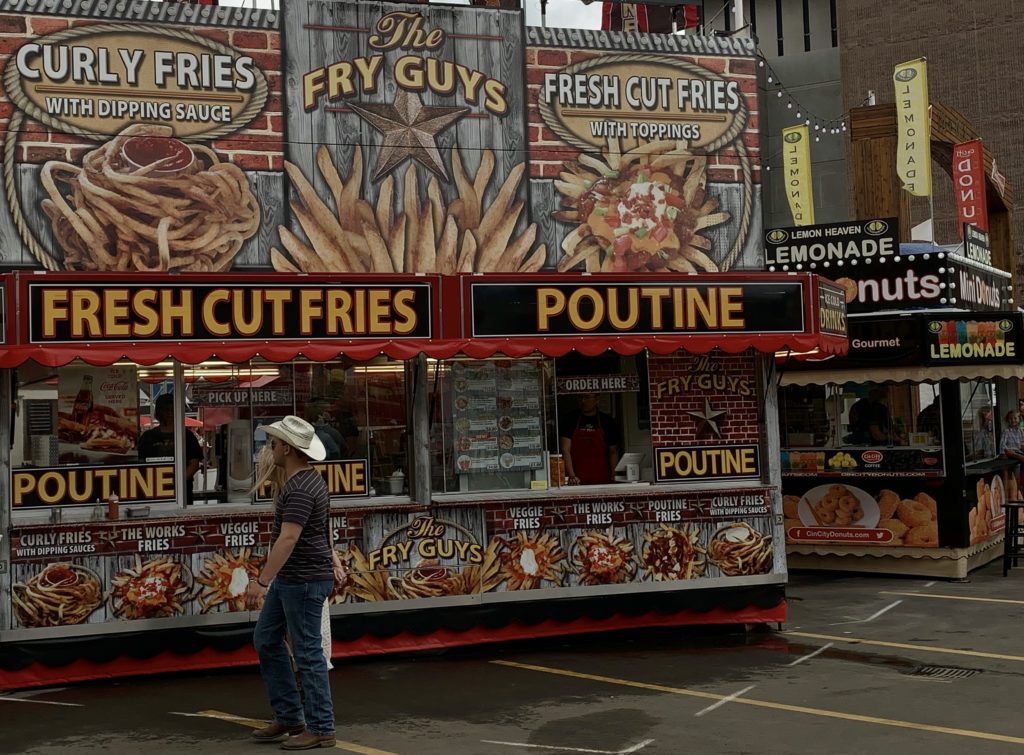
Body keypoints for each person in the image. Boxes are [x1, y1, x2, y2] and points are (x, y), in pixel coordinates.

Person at [245, 416, 338, 750]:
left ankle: (321, 727)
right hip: (295, 579)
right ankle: (290, 716)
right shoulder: (305, 481)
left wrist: (261, 580)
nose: (271, 446)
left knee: (307, 651)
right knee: (267, 639)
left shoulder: (299, 488)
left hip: (302, 580)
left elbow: (288, 539)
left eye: (274, 441)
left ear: (287, 447)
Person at [138, 393, 202, 505]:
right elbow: (141, 464)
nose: (169, 413)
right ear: (158, 413)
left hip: (182, 494)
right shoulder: (148, 437)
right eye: (165, 410)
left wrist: (178, 482)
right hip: (153, 493)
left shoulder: (187, 436)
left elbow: (194, 464)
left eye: (171, 409)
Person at [559, 392, 621, 485]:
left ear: (597, 399)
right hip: (576, 480)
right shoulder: (569, 419)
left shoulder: (607, 421)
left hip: (602, 478)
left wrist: (614, 473)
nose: (583, 401)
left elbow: (613, 452)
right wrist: (572, 476)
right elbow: (565, 449)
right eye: (580, 397)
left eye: (587, 397)